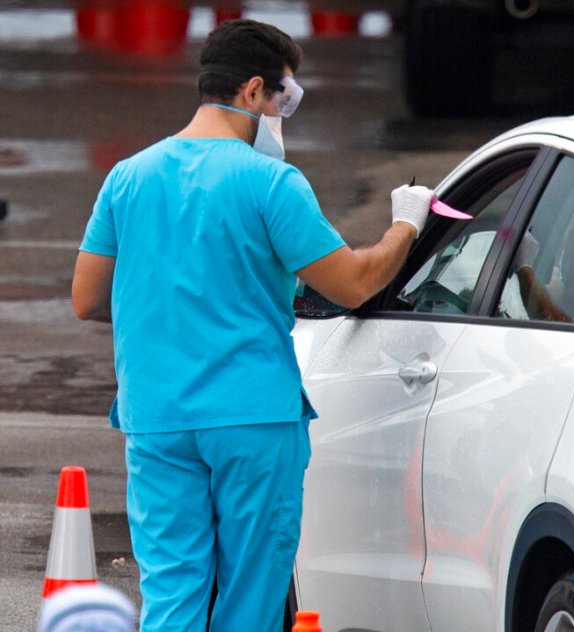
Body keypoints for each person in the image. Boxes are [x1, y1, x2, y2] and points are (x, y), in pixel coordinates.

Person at [70, 19, 433, 632]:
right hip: (252, 419)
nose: (282, 117)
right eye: (283, 101)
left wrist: (159, 296)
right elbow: (353, 282)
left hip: (156, 418)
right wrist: (406, 224)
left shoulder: (127, 177)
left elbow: (87, 299)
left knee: (173, 593)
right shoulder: (272, 183)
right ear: (253, 91)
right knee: (250, 596)